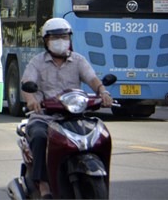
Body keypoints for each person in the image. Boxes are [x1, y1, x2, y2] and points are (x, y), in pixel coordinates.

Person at [21, 18, 113, 199]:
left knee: (100, 135)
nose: (60, 40)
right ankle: (44, 185)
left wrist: (103, 92)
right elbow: (26, 83)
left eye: (64, 36)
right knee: (39, 137)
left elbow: (92, 79)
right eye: (55, 37)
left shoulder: (78, 60)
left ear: (70, 39)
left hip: (74, 117)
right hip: (45, 117)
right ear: (46, 41)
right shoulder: (37, 62)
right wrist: (32, 100)